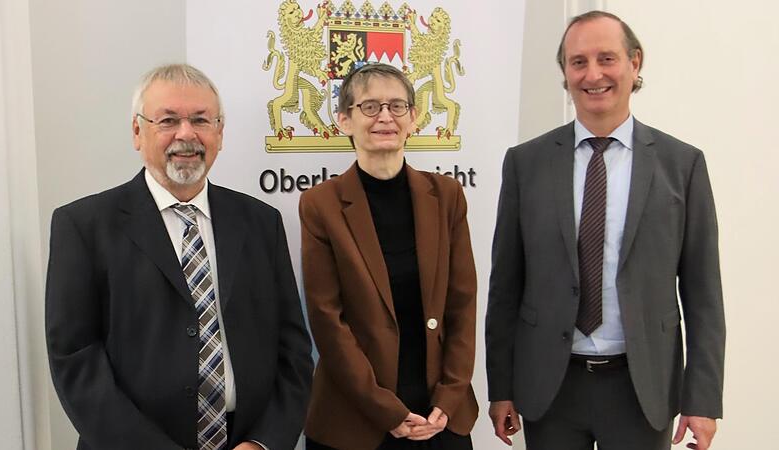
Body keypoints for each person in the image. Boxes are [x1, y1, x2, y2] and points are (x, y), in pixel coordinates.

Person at [485, 11, 725, 450]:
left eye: (606, 58)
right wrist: (500, 387)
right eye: (578, 62)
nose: (593, 74)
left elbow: (703, 294)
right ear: (565, 73)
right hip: (550, 389)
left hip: (642, 389)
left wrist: (703, 399)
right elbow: (505, 287)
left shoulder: (682, 165)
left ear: (635, 62)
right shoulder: (526, 164)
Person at [45, 63, 313, 450]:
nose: (186, 134)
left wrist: (263, 442)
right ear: (137, 132)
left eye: (201, 120)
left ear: (220, 132)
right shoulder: (83, 226)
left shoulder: (261, 222)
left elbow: (294, 351)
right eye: (168, 120)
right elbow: (75, 361)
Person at [299, 63, 478, 450]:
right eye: (370, 106)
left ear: (413, 118)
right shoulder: (320, 205)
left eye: (397, 106)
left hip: (439, 417)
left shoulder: (446, 196)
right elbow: (328, 321)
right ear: (344, 120)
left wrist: (449, 397)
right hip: (356, 420)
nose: (385, 116)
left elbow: (462, 305)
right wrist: (385, 411)